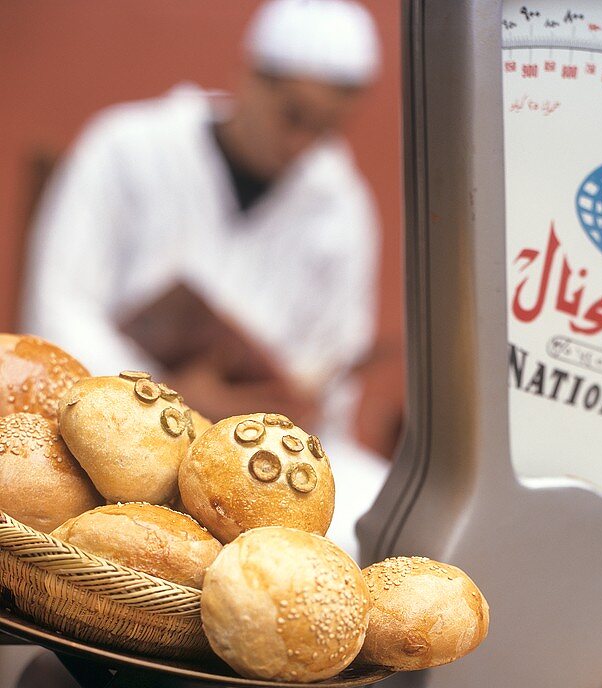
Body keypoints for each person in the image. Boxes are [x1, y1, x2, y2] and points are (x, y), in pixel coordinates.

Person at [21, 0, 387, 556]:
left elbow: (333, 373)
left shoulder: (341, 207)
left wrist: (288, 398)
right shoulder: (130, 147)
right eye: (293, 115)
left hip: (252, 460)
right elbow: (58, 306)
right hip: (112, 428)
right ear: (251, 77)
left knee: (380, 511)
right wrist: (169, 397)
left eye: (327, 127)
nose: (303, 143)